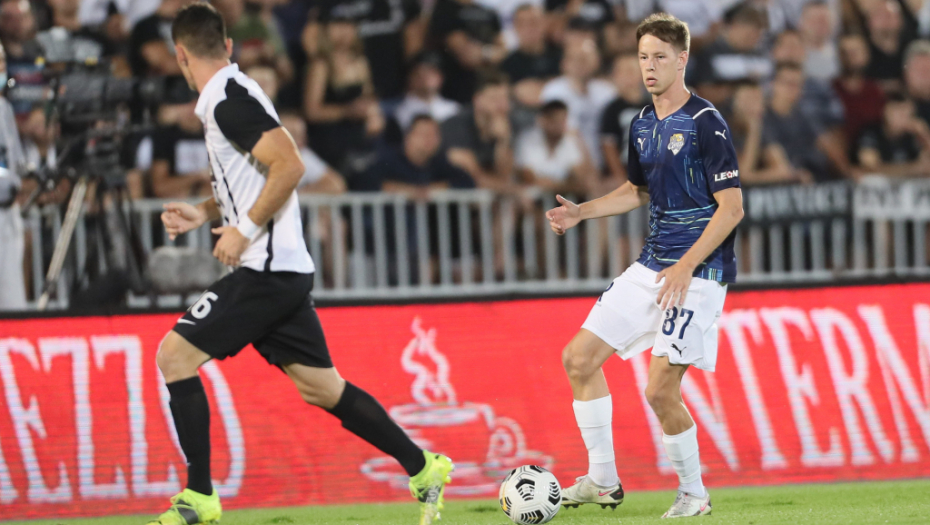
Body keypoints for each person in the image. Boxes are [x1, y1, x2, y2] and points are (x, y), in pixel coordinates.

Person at [149, 5, 452, 525]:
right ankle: (424, 468)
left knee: (173, 356)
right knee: (322, 388)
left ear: (179, 55)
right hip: (281, 268)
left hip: (265, 271)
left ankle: (199, 497)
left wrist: (243, 230)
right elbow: (252, 179)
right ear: (227, 45)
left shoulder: (228, 101)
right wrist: (204, 212)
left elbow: (290, 166)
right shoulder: (234, 92)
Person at [546, 13, 743, 518]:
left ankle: (694, 494)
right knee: (578, 359)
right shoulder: (641, 123)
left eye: (659, 57)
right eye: (642, 57)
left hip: (699, 272)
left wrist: (687, 265)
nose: (649, 66)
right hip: (653, 264)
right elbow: (638, 190)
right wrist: (583, 212)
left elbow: (732, 209)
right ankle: (602, 480)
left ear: (682, 59)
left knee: (659, 389)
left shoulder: (706, 121)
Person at [541, 38, 616, 170]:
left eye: (585, 59)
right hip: (568, 167)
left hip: (604, 162)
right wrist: (593, 175)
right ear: (564, 63)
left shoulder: (607, 91)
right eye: (575, 59)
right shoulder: (554, 90)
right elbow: (569, 133)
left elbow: (613, 134)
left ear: (596, 62)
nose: (580, 64)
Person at [516, 99, 595, 194]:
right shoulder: (528, 140)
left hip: (565, 195)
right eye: (556, 121)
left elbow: (580, 178)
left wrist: (554, 185)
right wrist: (564, 184)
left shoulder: (570, 141)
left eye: (563, 121)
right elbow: (528, 177)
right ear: (543, 121)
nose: (560, 126)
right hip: (536, 196)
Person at [0, 41, 27, 311]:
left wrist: (21, 179)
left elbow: (14, 158)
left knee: (12, 301)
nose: (1, 68)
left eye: (2, 61)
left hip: (8, 211)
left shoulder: (4, 108)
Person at [857, 92, 930, 177]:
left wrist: (924, 134)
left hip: (908, 183)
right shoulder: (871, 132)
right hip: (879, 184)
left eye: (907, 113)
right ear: (885, 112)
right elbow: (870, 168)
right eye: (898, 112)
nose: (903, 117)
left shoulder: (913, 135)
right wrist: (912, 169)